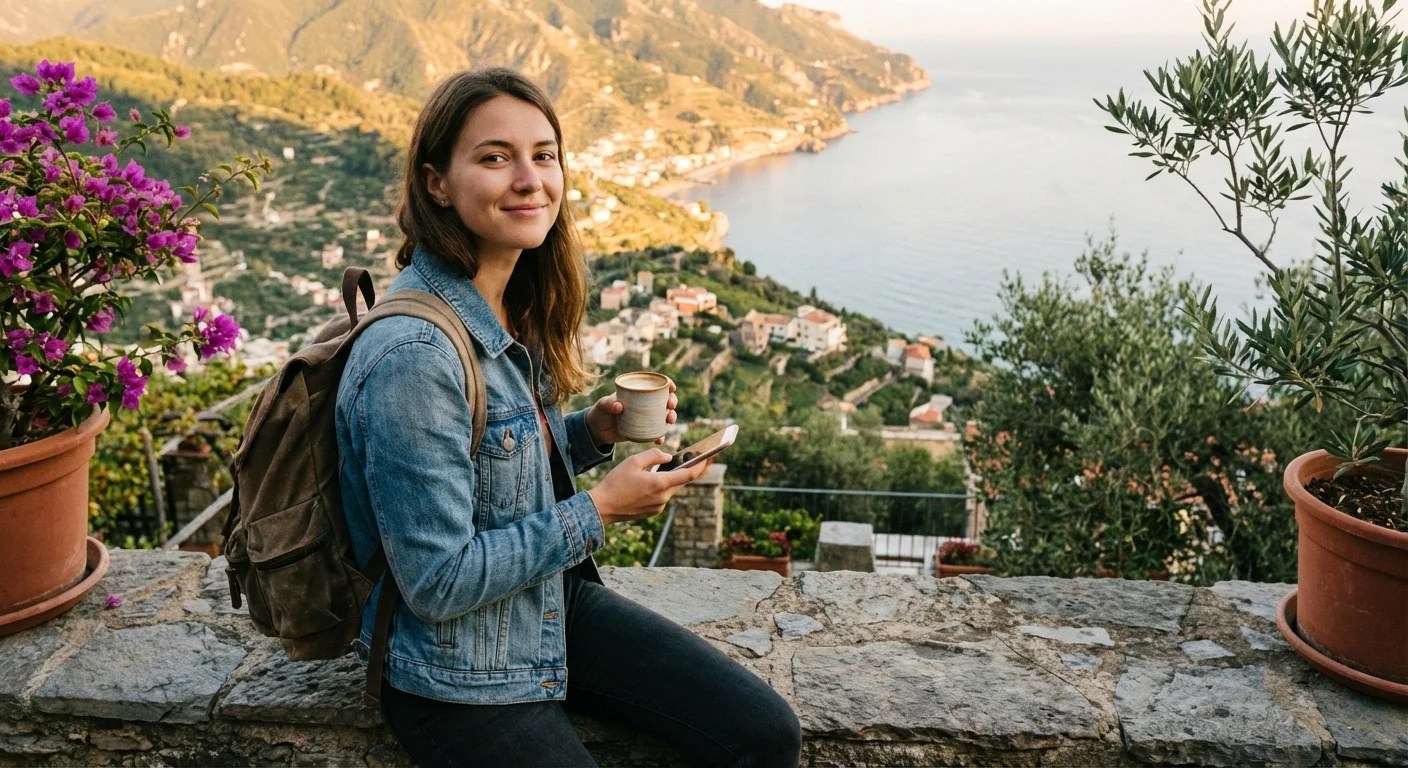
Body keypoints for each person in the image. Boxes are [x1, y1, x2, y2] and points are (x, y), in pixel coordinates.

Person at [335, 67, 803, 767]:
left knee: (765, 734)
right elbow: (435, 582)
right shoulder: (414, 354)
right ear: (436, 183)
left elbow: (492, 463)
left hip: (544, 605)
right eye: (495, 157)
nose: (530, 179)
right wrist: (601, 512)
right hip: (453, 669)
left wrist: (591, 433)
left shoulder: (505, 299)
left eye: (543, 155)